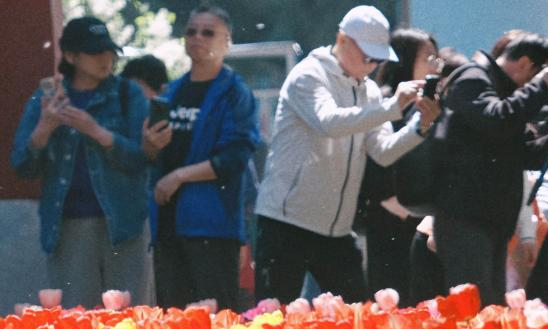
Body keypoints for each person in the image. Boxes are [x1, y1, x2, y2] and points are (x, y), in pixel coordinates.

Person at [254, 5, 440, 305]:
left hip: (337, 230)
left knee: (357, 316)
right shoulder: (308, 75)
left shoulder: (370, 91)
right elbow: (328, 122)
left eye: (377, 59)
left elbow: (383, 152)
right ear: (342, 40)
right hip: (286, 222)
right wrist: (393, 107)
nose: (371, 65)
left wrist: (420, 125)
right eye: (367, 56)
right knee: (273, 316)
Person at [11, 16, 152, 309]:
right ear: (71, 56)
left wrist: (98, 132)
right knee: (77, 320)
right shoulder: (47, 98)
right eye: (95, 52)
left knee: (131, 318)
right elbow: (22, 166)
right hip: (68, 225)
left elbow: (142, 159)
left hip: (123, 226)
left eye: (109, 51)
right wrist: (44, 128)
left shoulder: (128, 94)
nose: (105, 59)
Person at [432, 32, 548, 305]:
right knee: (473, 311)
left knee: (491, 311)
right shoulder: (473, 78)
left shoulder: (505, 95)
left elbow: (525, 155)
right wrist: (539, 88)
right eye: (540, 75)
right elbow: (496, 119)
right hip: (465, 221)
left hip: (491, 224)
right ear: (525, 64)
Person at [143, 5, 259, 312]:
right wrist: (150, 145)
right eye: (191, 31)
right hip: (168, 227)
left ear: (227, 42)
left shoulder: (235, 93)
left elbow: (233, 158)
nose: (197, 38)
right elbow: (155, 157)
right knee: (173, 325)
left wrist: (179, 176)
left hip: (213, 227)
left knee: (217, 324)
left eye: (208, 32)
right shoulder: (172, 92)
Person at [358, 27, 441, 299]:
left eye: (437, 57)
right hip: (389, 218)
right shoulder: (385, 102)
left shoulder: (434, 104)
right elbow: (374, 161)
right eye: (427, 57)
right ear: (405, 60)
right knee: (391, 300)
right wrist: (395, 202)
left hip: (421, 218)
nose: (436, 65)